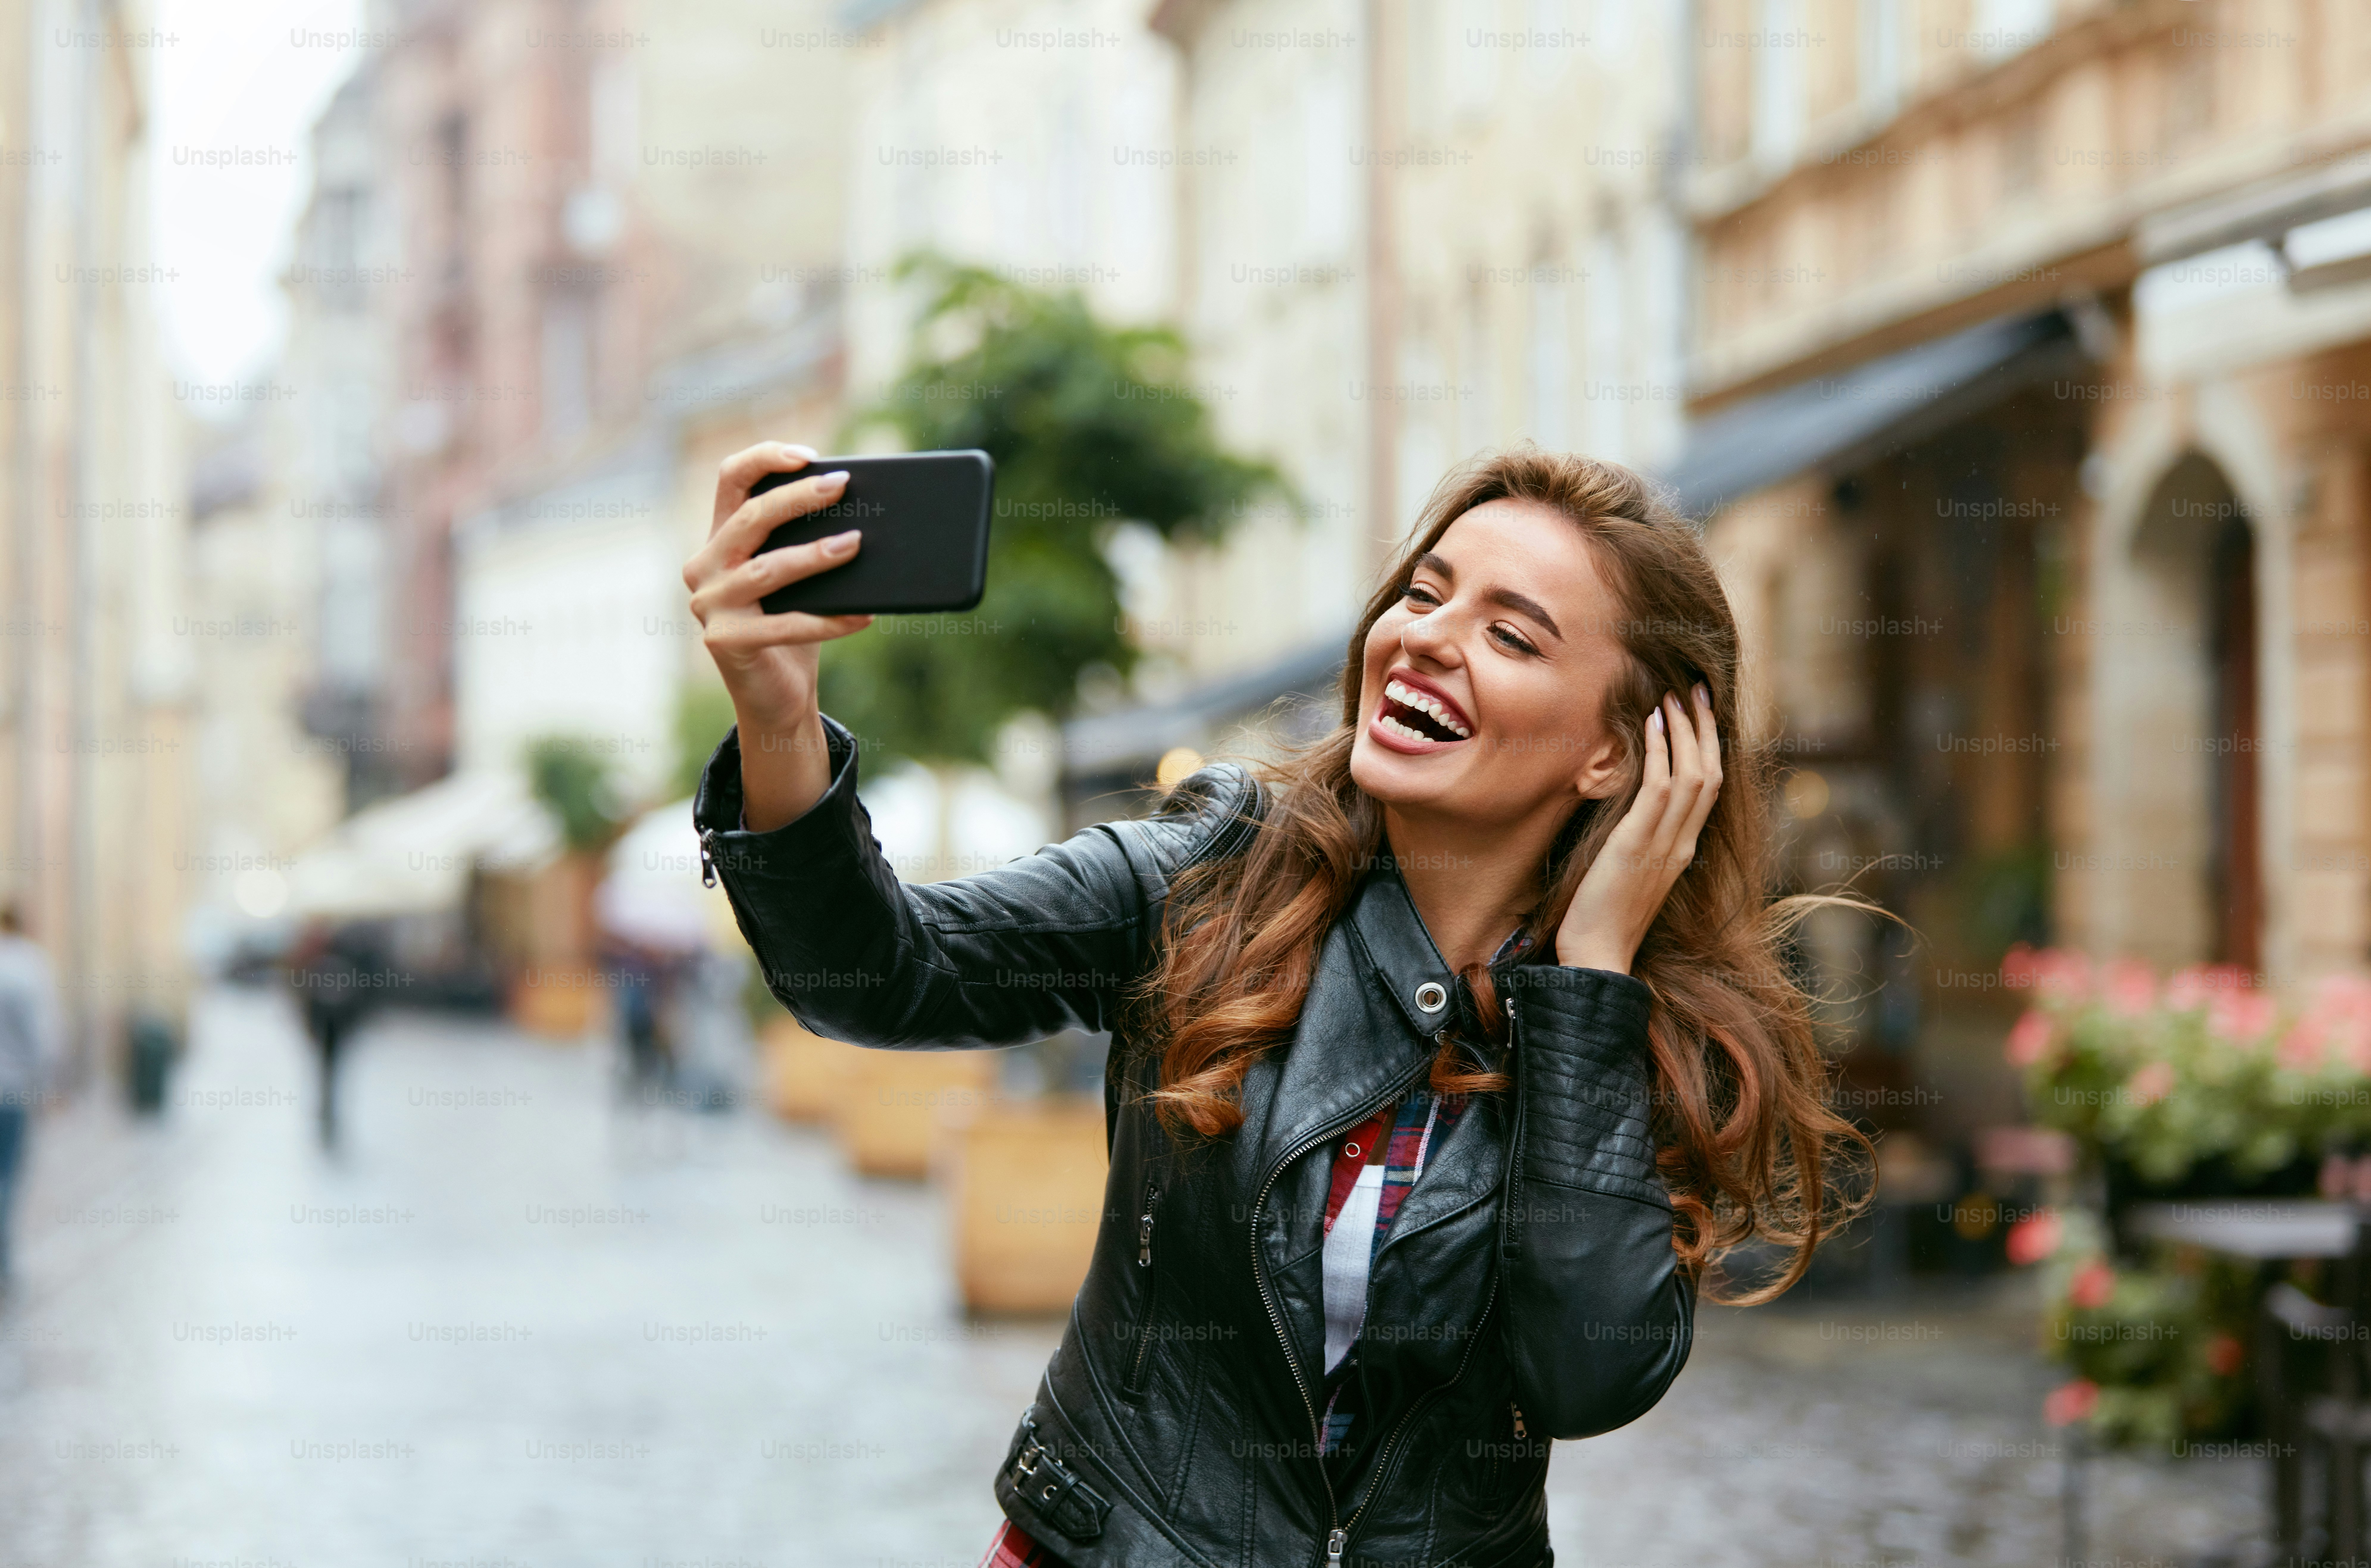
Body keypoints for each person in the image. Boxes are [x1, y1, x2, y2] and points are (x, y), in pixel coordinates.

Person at [685, 442, 1870, 1566]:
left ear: (1616, 754)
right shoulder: (1213, 878)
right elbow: (881, 974)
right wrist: (778, 718)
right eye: (1424, 593)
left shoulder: (1644, 1036)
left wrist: (1589, 984)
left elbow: (1580, 1374)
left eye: (1508, 634)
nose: (1427, 639)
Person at [0, 903, 62, 1299]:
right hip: (11, 1090)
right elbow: (45, 1036)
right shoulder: (28, 967)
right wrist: (48, 1085)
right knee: (7, 1174)